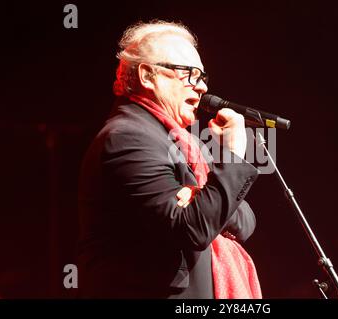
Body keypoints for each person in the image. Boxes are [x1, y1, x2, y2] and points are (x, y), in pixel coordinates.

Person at [77, 20, 262, 298]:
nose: (200, 88)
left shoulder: (185, 143)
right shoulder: (127, 138)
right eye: (189, 74)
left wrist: (201, 196)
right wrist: (232, 156)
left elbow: (246, 222)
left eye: (202, 78)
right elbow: (195, 228)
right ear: (147, 76)